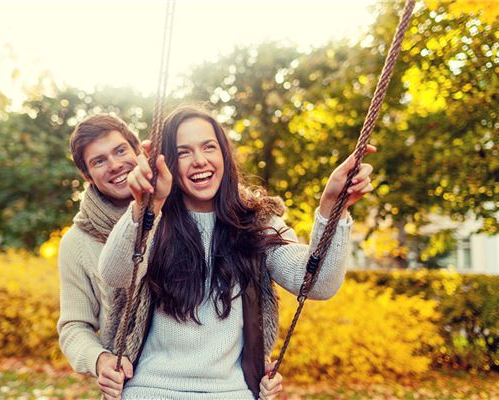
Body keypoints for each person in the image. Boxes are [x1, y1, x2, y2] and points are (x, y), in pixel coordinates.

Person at [97, 106, 375, 400]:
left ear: (224, 155)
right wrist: (147, 205)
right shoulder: (157, 219)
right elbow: (115, 273)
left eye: (209, 147)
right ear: (167, 163)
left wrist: (333, 206)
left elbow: (316, 284)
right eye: (183, 153)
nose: (200, 161)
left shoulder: (257, 222)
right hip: (150, 390)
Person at [57, 113, 284, 400]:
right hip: (137, 382)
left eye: (120, 151)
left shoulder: (191, 208)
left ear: (140, 151)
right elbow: (74, 325)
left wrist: (248, 364)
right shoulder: (78, 241)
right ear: (87, 176)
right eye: (98, 161)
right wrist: (100, 360)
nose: (115, 165)